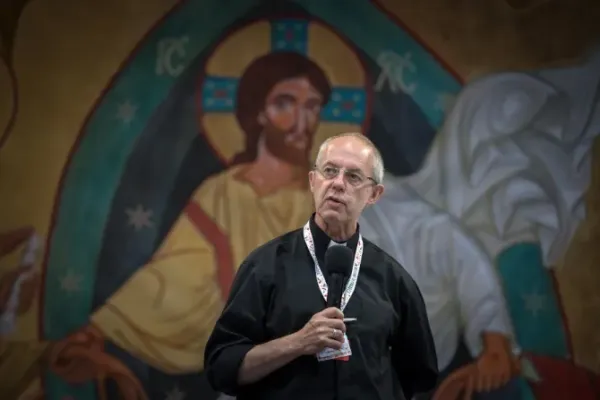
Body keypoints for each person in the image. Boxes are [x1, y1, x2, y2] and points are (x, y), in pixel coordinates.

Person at [43, 51, 334, 399]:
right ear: (258, 111)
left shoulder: (325, 195)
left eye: (312, 106)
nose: (302, 121)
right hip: (250, 367)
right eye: (285, 104)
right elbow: (174, 273)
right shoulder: (222, 193)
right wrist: (103, 331)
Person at [204, 133, 439, 400]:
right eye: (329, 171)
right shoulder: (265, 266)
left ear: (374, 194)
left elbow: (418, 376)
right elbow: (221, 367)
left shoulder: (394, 280)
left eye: (353, 177)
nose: (338, 183)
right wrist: (298, 342)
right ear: (313, 181)